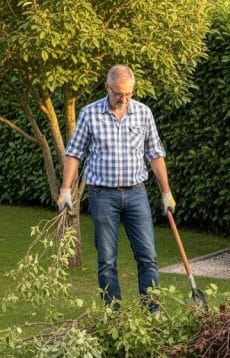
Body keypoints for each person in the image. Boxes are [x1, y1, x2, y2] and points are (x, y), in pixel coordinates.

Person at [57, 64, 176, 312]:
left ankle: (152, 311)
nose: (124, 99)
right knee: (107, 261)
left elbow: (155, 154)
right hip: (103, 196)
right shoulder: (90, 114)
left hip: (136, 194)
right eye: (119, 93)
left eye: (129, 93)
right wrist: (65, 189)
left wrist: (166, 192)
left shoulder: (143, 113)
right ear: (107, 87)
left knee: (148, 258)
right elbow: (74, 153)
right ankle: (113, 315)